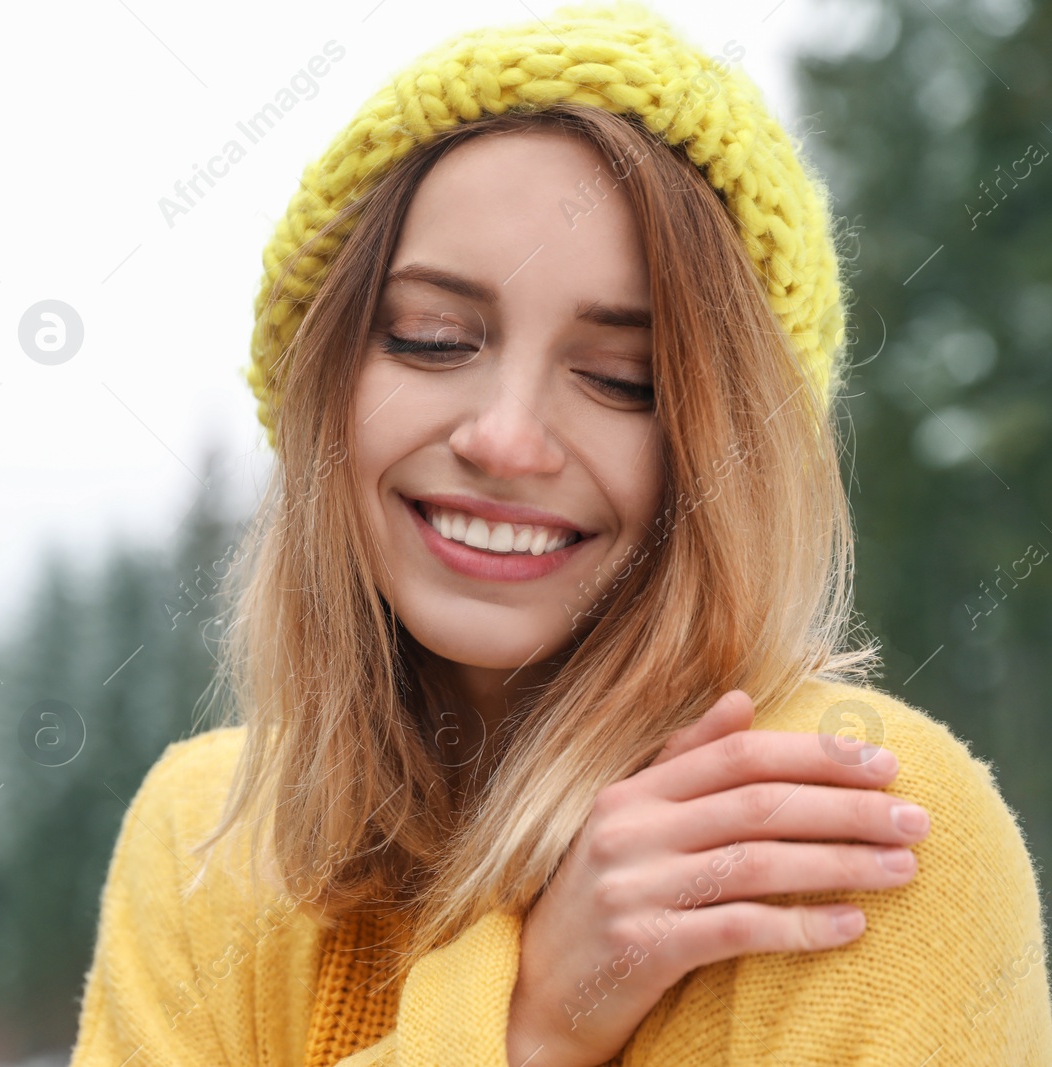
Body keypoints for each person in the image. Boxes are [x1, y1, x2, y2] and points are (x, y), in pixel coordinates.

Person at [69, 3, 1052, 1064]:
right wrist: (524, 1027)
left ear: (734, 454)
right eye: (432, 338)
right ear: (329, 381)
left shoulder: (831, 820)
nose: (504, 438)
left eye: (620, 378)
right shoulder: (204, 831)